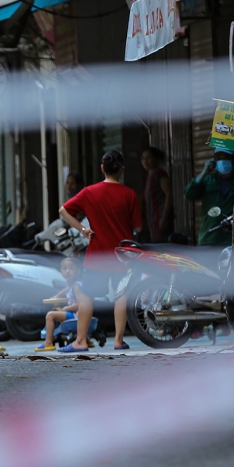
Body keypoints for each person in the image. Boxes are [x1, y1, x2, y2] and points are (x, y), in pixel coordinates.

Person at [58, 150, 142, 351]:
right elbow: (138, 227)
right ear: (121, 170)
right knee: (121, 295)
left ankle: (80, 341)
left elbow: (63, 210)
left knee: (87, 296)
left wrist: (83, 229)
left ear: (102, 169)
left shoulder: (89, 192)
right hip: (123, 256)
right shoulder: (129, 194)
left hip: (97, 255)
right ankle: (119, 341)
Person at [185, 149, 234, 246]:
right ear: (214, 160)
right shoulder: (208, 180)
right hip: (209, 238)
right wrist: (204, 172)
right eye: (219, 158)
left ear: (233, 159)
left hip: (233, 239)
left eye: (226, 157)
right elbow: (189, 194)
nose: (222, 161)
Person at [35, 257, 85, 352]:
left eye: (71, 268)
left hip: (76, 315)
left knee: (50, 315)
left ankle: (48, 342)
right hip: (75, 314)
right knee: (57, 310)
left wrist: (67, 308)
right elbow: (66, 289)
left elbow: (82, 304)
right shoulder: (72, 285)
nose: (67, 271)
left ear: (78, 271)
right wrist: (56, 297)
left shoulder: (76, 287)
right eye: (65, 268)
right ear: (61, 271)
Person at [140, 147, 174, 243]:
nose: (145, 161)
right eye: (143, 158)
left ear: (156, 159)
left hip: (160, 219)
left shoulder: (159, 174)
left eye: (148, 158)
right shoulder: (150, 176)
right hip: (153, 220)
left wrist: (164, 217)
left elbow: (169, 194)